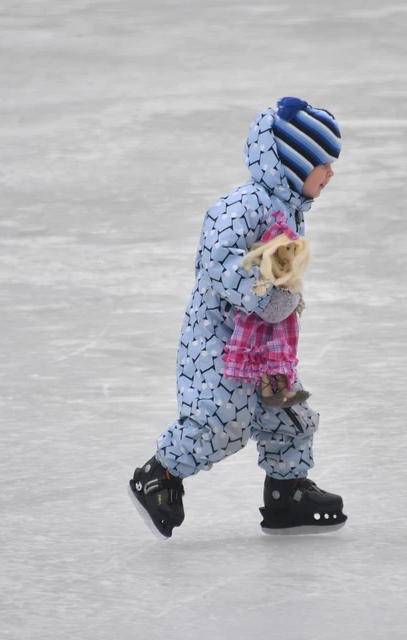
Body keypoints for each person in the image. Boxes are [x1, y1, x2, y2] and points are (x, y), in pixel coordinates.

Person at [128, 97, 347, 538]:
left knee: (287, 414)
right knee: (220, 421)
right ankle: (159, 476)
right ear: (293, 161)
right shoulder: (241, 205)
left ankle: (287, 494)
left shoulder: (289, 210)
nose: (330, 173)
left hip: (266, 347)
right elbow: (217, 260)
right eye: (322, 162)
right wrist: (262, 298)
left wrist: (283, 299)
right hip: (218, 340)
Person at [223, 212, 311, 407]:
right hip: (262, 322)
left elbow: (294, 288)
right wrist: (263, 289)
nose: (289, 253)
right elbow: (258, 288)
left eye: (291, 248)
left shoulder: (287, 272)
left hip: (280, 321)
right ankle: (267, 392)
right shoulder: (266, 271)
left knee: (278, 354)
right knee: (262, 352)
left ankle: (285, 391)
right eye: (285, 248)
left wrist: (297, 299)